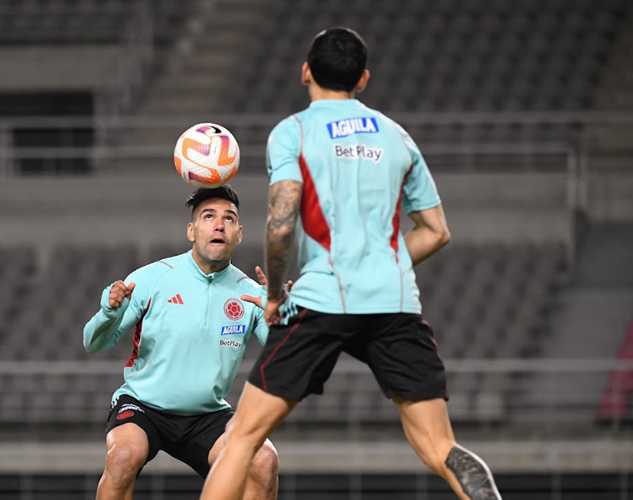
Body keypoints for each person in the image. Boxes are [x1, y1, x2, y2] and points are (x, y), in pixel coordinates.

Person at [201, 28, 502, 500]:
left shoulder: (294, 132)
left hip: (320, 301)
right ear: (362, 79)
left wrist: (277, 292)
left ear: (305, 72)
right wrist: (382, 261)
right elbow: (437, 231)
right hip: (395, 303)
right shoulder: (398, 136)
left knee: (242, 438)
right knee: (442, 446)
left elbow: (281, 224)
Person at [83, 185, 279, 500]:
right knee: (123, 457)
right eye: (208, 217)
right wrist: (108, 312)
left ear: (239, 234)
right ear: (191, 230)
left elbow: (285, 359)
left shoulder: (251, 293)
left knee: (264, 462)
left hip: (207, 414)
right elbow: (93, 344)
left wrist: (280, 320)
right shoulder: (151, 279)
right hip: (144, 406)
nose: (219, 225)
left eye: (229, 219)